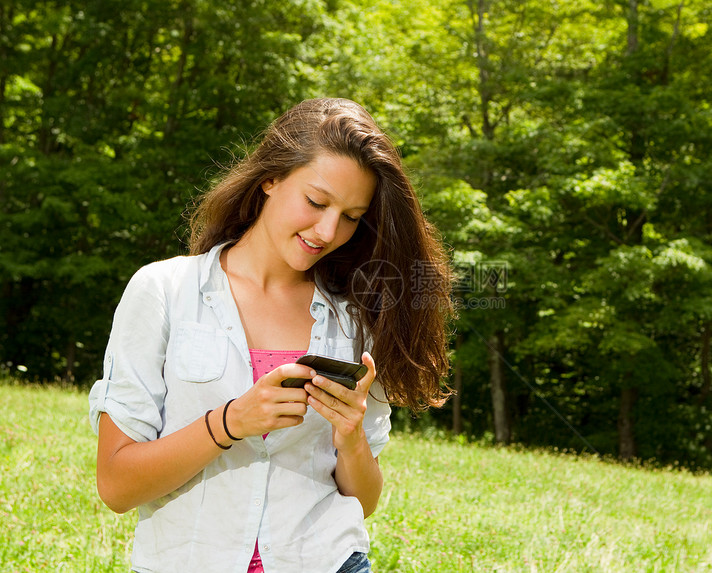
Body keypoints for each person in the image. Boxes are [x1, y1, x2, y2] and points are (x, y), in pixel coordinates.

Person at [89, 98, 454, 573]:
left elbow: (362, 502)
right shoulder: (164, 291)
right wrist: (230, 422)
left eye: (350, 216)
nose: (327, 230)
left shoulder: (358, 317)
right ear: (271, 178)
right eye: (316, 202)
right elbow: (116, 486)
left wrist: (351, 437)